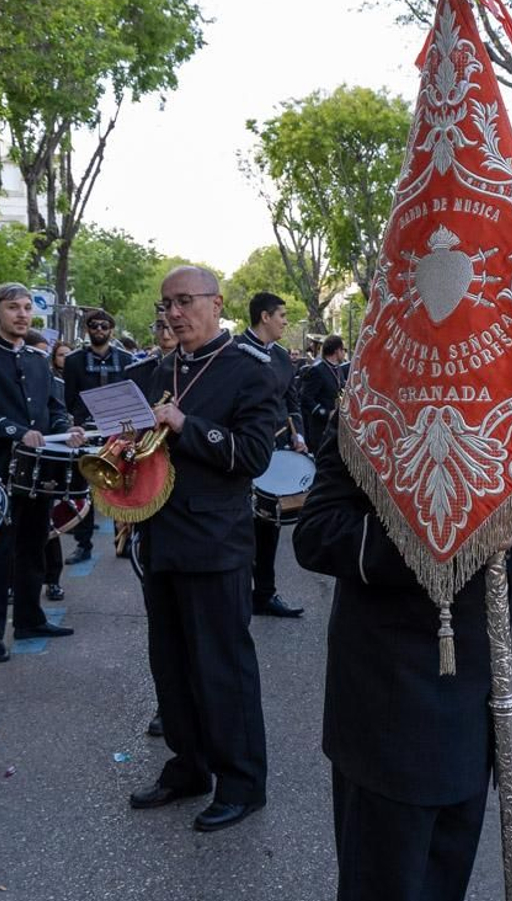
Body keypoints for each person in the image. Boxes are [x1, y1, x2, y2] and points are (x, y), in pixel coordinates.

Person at [295, 425, 512, 901]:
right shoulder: (368, 402)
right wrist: (442, 535)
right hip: (386, 705)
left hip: (474, 699)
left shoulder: (501, 395)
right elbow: (318, 531)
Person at [125, 267, 283, 833]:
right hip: (158, 532)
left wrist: (186, 424)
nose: (173, 313)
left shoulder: (248, 371)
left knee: (222, 667)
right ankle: (188, 765)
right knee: (170, 664)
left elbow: (254, 454)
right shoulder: (156, 370)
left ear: (217, 304)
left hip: (215, 539)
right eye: (166, 302)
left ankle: (243, 782)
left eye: (185, 301)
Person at [0, 283, 85, 663]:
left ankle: (29, 619)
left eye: (27, 308)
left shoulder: (36, 358)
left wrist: (67, 426)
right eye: (14, 308)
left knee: (34, 546)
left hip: (39, 470)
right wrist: (16, 431)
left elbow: (52, 406)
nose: (23, 315)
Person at [241, 291, 308, 618]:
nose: (285, 321)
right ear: (265, 317)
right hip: (240, 455)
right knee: (240, 529)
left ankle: (264, 594)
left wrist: (299, 436)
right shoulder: (234, 353)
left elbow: (292, 403)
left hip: (276, 452)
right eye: (281, 315)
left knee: (268, 527)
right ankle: (235, 594)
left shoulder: (283, 357)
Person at [63, 308, 133, 564]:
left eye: (104, 326)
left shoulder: (126, 359)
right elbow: (69, 398)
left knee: (120, 487)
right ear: (87, 329)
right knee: (81, 490)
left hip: (118, 432)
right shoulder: (73, 361)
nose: (99, 331)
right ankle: (83, 545)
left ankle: (123, 539)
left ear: (111, 329)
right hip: (87, 432)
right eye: (94, 326)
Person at [302, 334, 350, 451]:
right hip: (320, 429)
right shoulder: (317, 370)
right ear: (337, 351)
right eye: (343, 350)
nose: (344, 353)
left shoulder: (338, 368)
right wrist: (326, 413)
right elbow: (305, 398)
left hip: (336, 428)